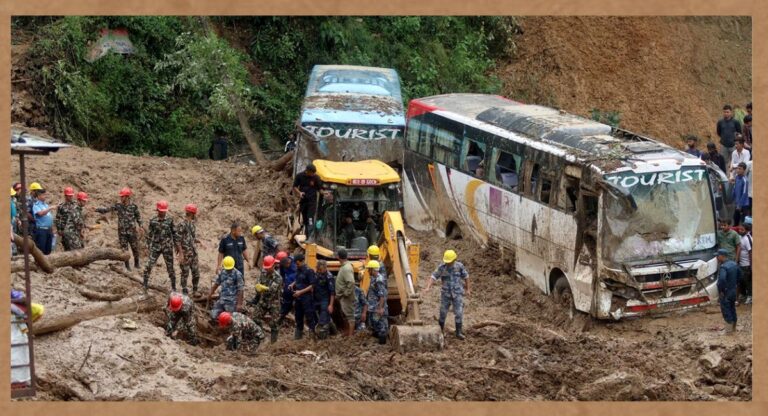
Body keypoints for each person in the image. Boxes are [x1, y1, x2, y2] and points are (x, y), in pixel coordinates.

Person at [425, 249, 470, 340]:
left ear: (454, 260)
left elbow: (466, 277)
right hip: (445, 294)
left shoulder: (459, 266)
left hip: (457, 294)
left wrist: (468, 289)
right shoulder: (442, 267)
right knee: (443, 313)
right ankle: (440, 331)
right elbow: (433, 277)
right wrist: (428, 287)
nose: (448, 263)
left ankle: (458, 332)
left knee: (459, 313)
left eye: (450, 262)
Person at [95, 187, 143, 270]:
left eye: (122, 197)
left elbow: (138, 217)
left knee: (135, 247)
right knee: (124, 249)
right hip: (122, 232)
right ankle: (127, 266)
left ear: (127, 197)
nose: (121, 198)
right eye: (121, 197)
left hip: (132, 232)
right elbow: (107, 209)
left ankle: (136, 264)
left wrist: (141, 226)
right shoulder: (118, 206)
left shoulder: (133, 207)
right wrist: (97, 209)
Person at [142, 200, 179, 293]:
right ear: (157, 210)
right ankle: (145, 285)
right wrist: (147, 246)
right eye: (161, 211)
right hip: (156, 247)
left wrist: (177, 247)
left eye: (164, 211)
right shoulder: (153, 220)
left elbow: (174, 233)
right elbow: (149, 235)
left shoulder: (170, 220)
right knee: (148, 266)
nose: (163, 212)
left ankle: (174, 287)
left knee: (170, 269)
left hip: (167, 247)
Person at [249, 255, 283, 343]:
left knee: (274, 324)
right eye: (266, 267)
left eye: (269, 268)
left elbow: (272, 290)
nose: (267, 269)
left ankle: (273, 343)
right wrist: (257, 287)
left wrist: (263, 288)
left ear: (273, 266)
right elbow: (258, 282)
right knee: (255, 318)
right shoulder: (263, 273)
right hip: (263, 301)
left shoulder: (278, 277)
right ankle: (260, 336)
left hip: (273, 303)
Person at [289, 253, 316, 340]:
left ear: (302, 261)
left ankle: (312, 337)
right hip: (298, 298)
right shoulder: (298, 270)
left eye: (298, 263)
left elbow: (312, 286)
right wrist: (292, 284)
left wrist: (301, 292)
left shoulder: (309, 271)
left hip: (306, 298)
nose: (297, 265)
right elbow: (298, 280)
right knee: (298, 317)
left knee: (309, 317)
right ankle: (298, 337)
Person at [209, 256, 245, 320]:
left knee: (229, 319)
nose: (228, 270)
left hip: (232, 301)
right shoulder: (222, 272)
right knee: (213, 315)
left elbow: (241, 290)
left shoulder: (237, 274)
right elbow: (217, 283)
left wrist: (239, 304)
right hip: (222, 299)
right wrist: (210, 293)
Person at [361, 260, 388, 345]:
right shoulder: (374, 278)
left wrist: (380, 308)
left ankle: (382, 344)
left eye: (369, 269)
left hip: (377, 308)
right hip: (373, 307)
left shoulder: (378, 280)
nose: (368, 271)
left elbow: (382, 296)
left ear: (373, 270)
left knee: (381, 326)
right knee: (375, 325)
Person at [177, 204, 201, 296]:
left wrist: (199, 241)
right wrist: (181, 253)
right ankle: (184, 291)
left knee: (196, 272)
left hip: (193, 252)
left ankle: (195, 290)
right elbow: (177, 240)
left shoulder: (192, 225)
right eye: (194, 213)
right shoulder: (181, 225)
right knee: (185, 273)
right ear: (192, 214)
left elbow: (192, 238)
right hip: (186, 253)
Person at [292, 163, 322, 238]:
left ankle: (311, 238)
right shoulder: (299, 176)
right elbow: (295, 187)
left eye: (314, 173)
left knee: (310, 218)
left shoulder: (316, 178)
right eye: (312, 173)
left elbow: (320, 189)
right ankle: (307, 236)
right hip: (303, 201)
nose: (313, 174)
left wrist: (325, 193)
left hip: (312, 202)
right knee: (305, 219)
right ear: (307, 171)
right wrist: (299, 193)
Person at [716, 248, 740, 334]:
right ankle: (734, 328)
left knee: (726, 310)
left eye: (717, 256)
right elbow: (740, 277)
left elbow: (721, 280)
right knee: (732, 308)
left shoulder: (723, 267)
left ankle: (729, 332)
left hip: (725, 292)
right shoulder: (734, 264)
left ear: (722, 256)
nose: (717, 258)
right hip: (733, 291)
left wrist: (721, 291)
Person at [334, 248, 356, 336]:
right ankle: (347, 332)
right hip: (342, 296)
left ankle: (350, 335)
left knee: (350, 316)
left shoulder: (346, 268)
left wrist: (346, 293)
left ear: (338, 257)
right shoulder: (345, 267)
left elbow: (351, 282)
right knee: (346, 315)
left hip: (346, 297)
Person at [313, 260, 336, 340]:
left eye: (321, 269)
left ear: (325, 268)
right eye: (318, 269)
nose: (320, 271)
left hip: (325, 299)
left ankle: (323, 338)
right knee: (322, 317)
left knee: (323, 320)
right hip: (316, 299)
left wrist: (331, 305)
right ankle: (334, 332)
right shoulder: (317, 274)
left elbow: (332, 292)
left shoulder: (329, 277)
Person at [54, 187, 83, 251]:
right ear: (65, 196)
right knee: (67, 247)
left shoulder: (75, 205)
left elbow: (79, 216)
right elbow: (58, 218)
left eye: (71, 196)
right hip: (65, 229)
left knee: (76, 246)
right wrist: (59, 229)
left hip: (74, 229)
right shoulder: (61, 206)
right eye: (69, 196)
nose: (70, 197)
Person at [716, 104, 742, 168]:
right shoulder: (720, 122)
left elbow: (739, 133)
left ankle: (733, 177)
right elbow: (718, 132)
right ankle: (725, 176)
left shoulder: (735, 122)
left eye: (727, 112)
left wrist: (736, 142)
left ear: (731, 112)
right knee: (723, 162)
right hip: (723, 145)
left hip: (734, 145)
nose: (726, 113)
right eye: (724, 112)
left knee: (735, 162)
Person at [276, 251, 297, 326]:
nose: (279, 264)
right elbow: (282, 274)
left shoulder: (295, 266)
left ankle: (285, 312)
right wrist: (282, 283)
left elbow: (299, 278)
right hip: (287, 284)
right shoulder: (282, 264)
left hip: (295, 286)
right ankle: (283, 312)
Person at [31, 187, 54, 255]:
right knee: (41, 249)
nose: (45, 196)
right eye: (43, 195)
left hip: (48, 230)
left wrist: (52, 227)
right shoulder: (36, 205)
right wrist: (50, 208)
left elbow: (49, 217)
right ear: (38, 196)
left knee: (48, 249)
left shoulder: (46, 205)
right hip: (41, 230)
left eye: (45, 194)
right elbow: (40, 213)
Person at [736, 220, 752, 305]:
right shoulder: (741, 237)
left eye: (742, 230)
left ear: (747, 230)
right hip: (741, 263)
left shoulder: (748, 239)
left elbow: (751, 252)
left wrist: (751, 265)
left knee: (747, 281)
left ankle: (750, 296)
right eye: (739, 229)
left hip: (747, 264)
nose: (740, 231)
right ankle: (744, 294)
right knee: (741, 280)